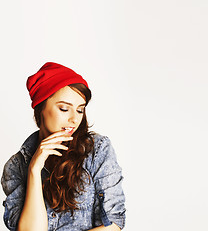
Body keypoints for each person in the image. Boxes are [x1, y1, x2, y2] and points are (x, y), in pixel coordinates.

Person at [1, 62, 126, 231]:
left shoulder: (97, 150)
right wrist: (34, 170)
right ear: (41, 108)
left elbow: (113, 224)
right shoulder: (16, 166)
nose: (74, 119)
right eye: (64, 109)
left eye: (80, 110)